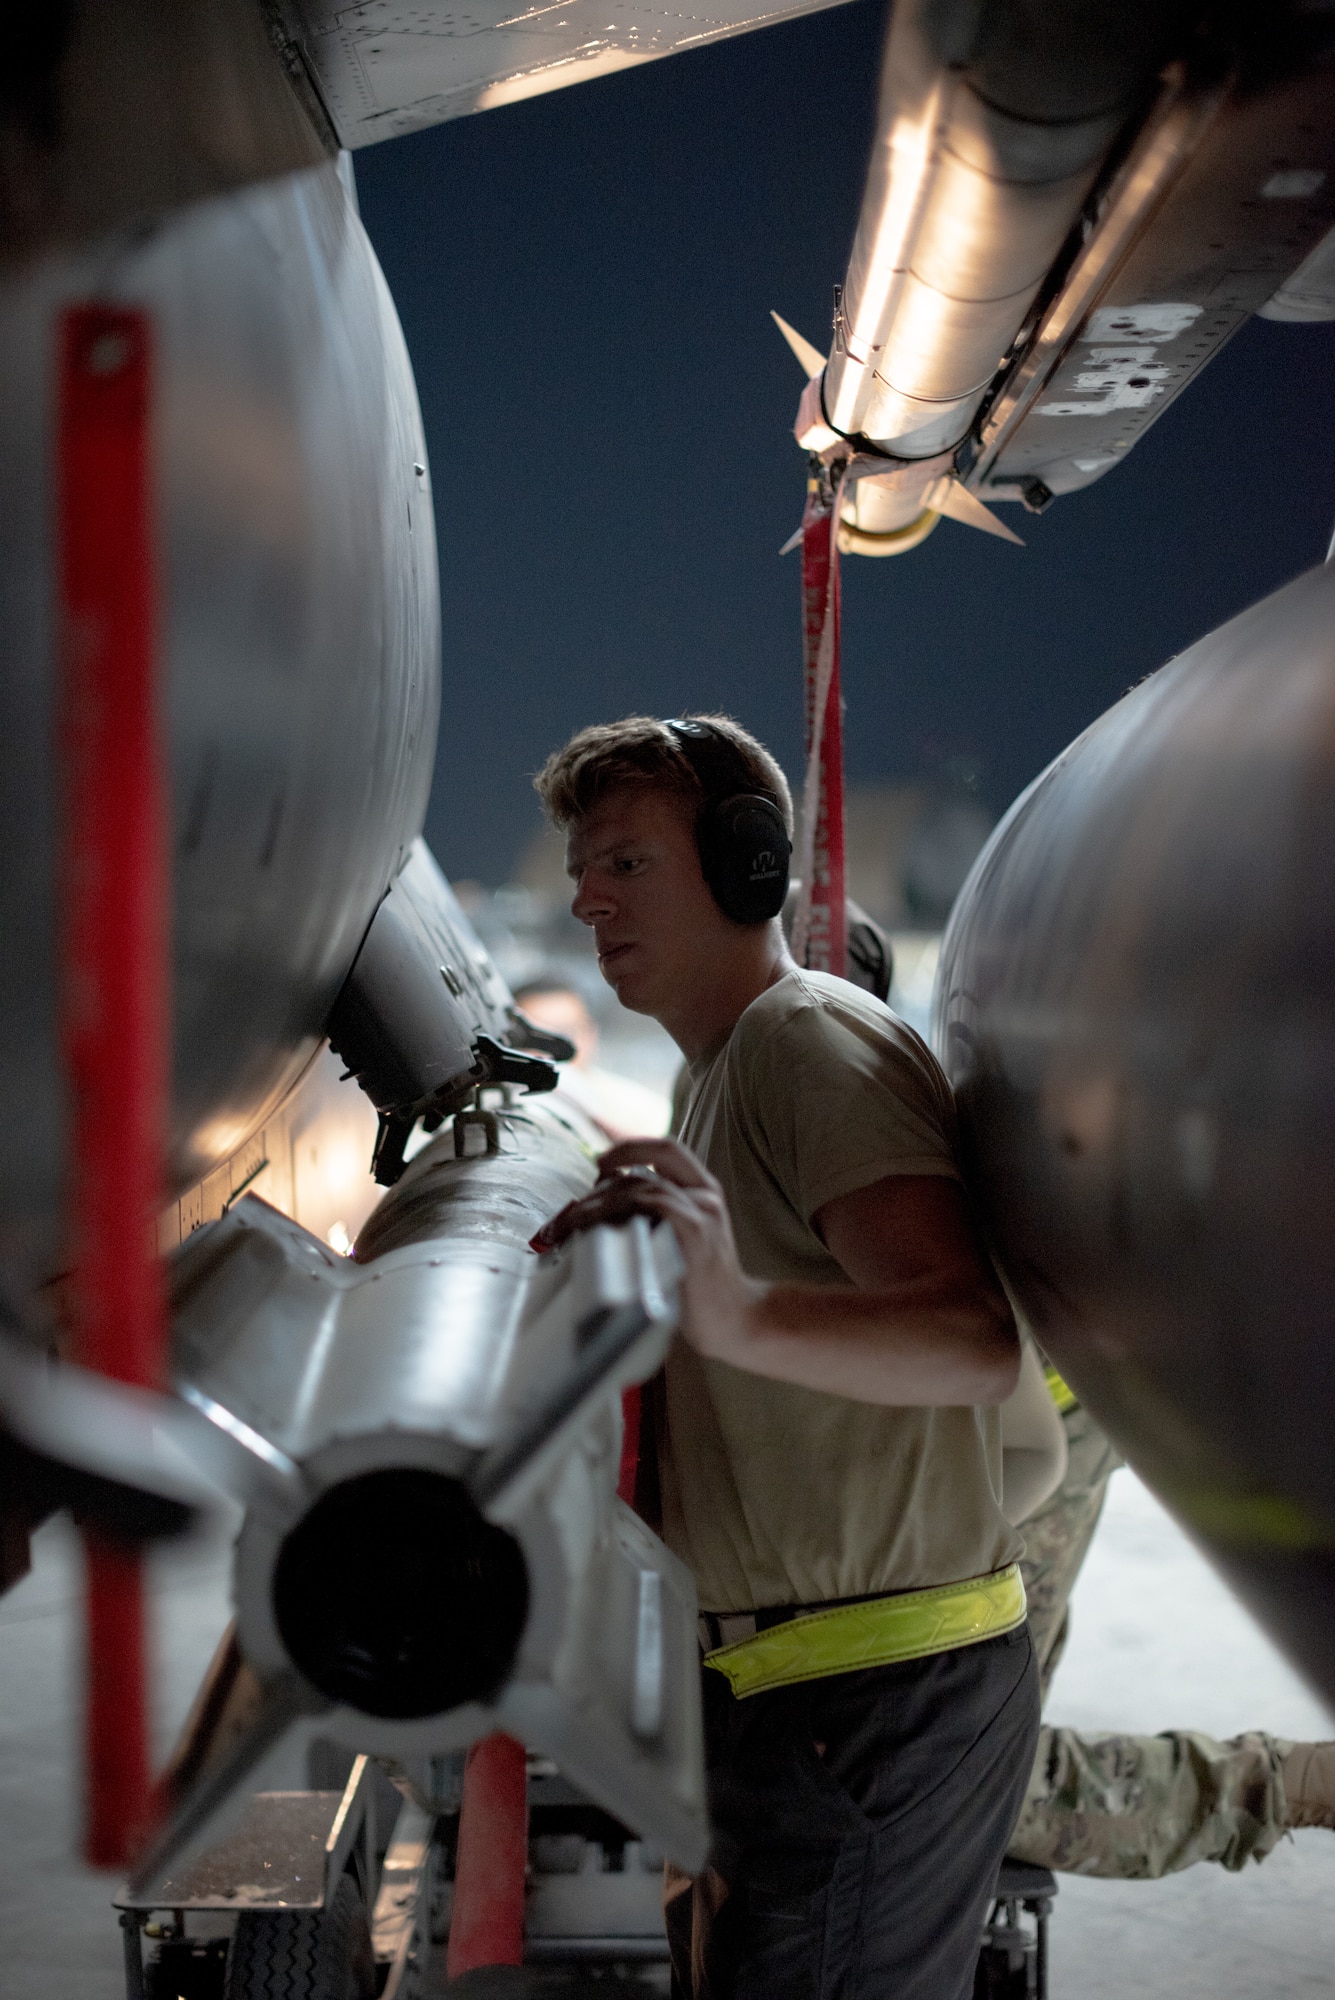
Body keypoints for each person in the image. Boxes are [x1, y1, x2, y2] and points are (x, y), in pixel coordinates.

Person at [530, 713, 1040, 2000]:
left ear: (748, 867)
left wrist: (737, 1309)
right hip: (794, 1689)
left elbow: (971, 1336)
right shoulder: (718, 1071)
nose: (587, 897)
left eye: (628, 863)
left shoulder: (807, 1041)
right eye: (583, 868)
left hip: (877, 1695)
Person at [1005, 1377, 1335, 1875]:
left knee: (968, 1783)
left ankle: (1303, 1782)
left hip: (1001, 1424)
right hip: (1020, 1408)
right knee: (975, 1759)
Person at [512, 976, 671, 1141]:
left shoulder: (644, 1115)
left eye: (565, 1034)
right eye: (534, 1039)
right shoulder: (493, 1105)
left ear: (590, 1034)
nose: (549, 1052)